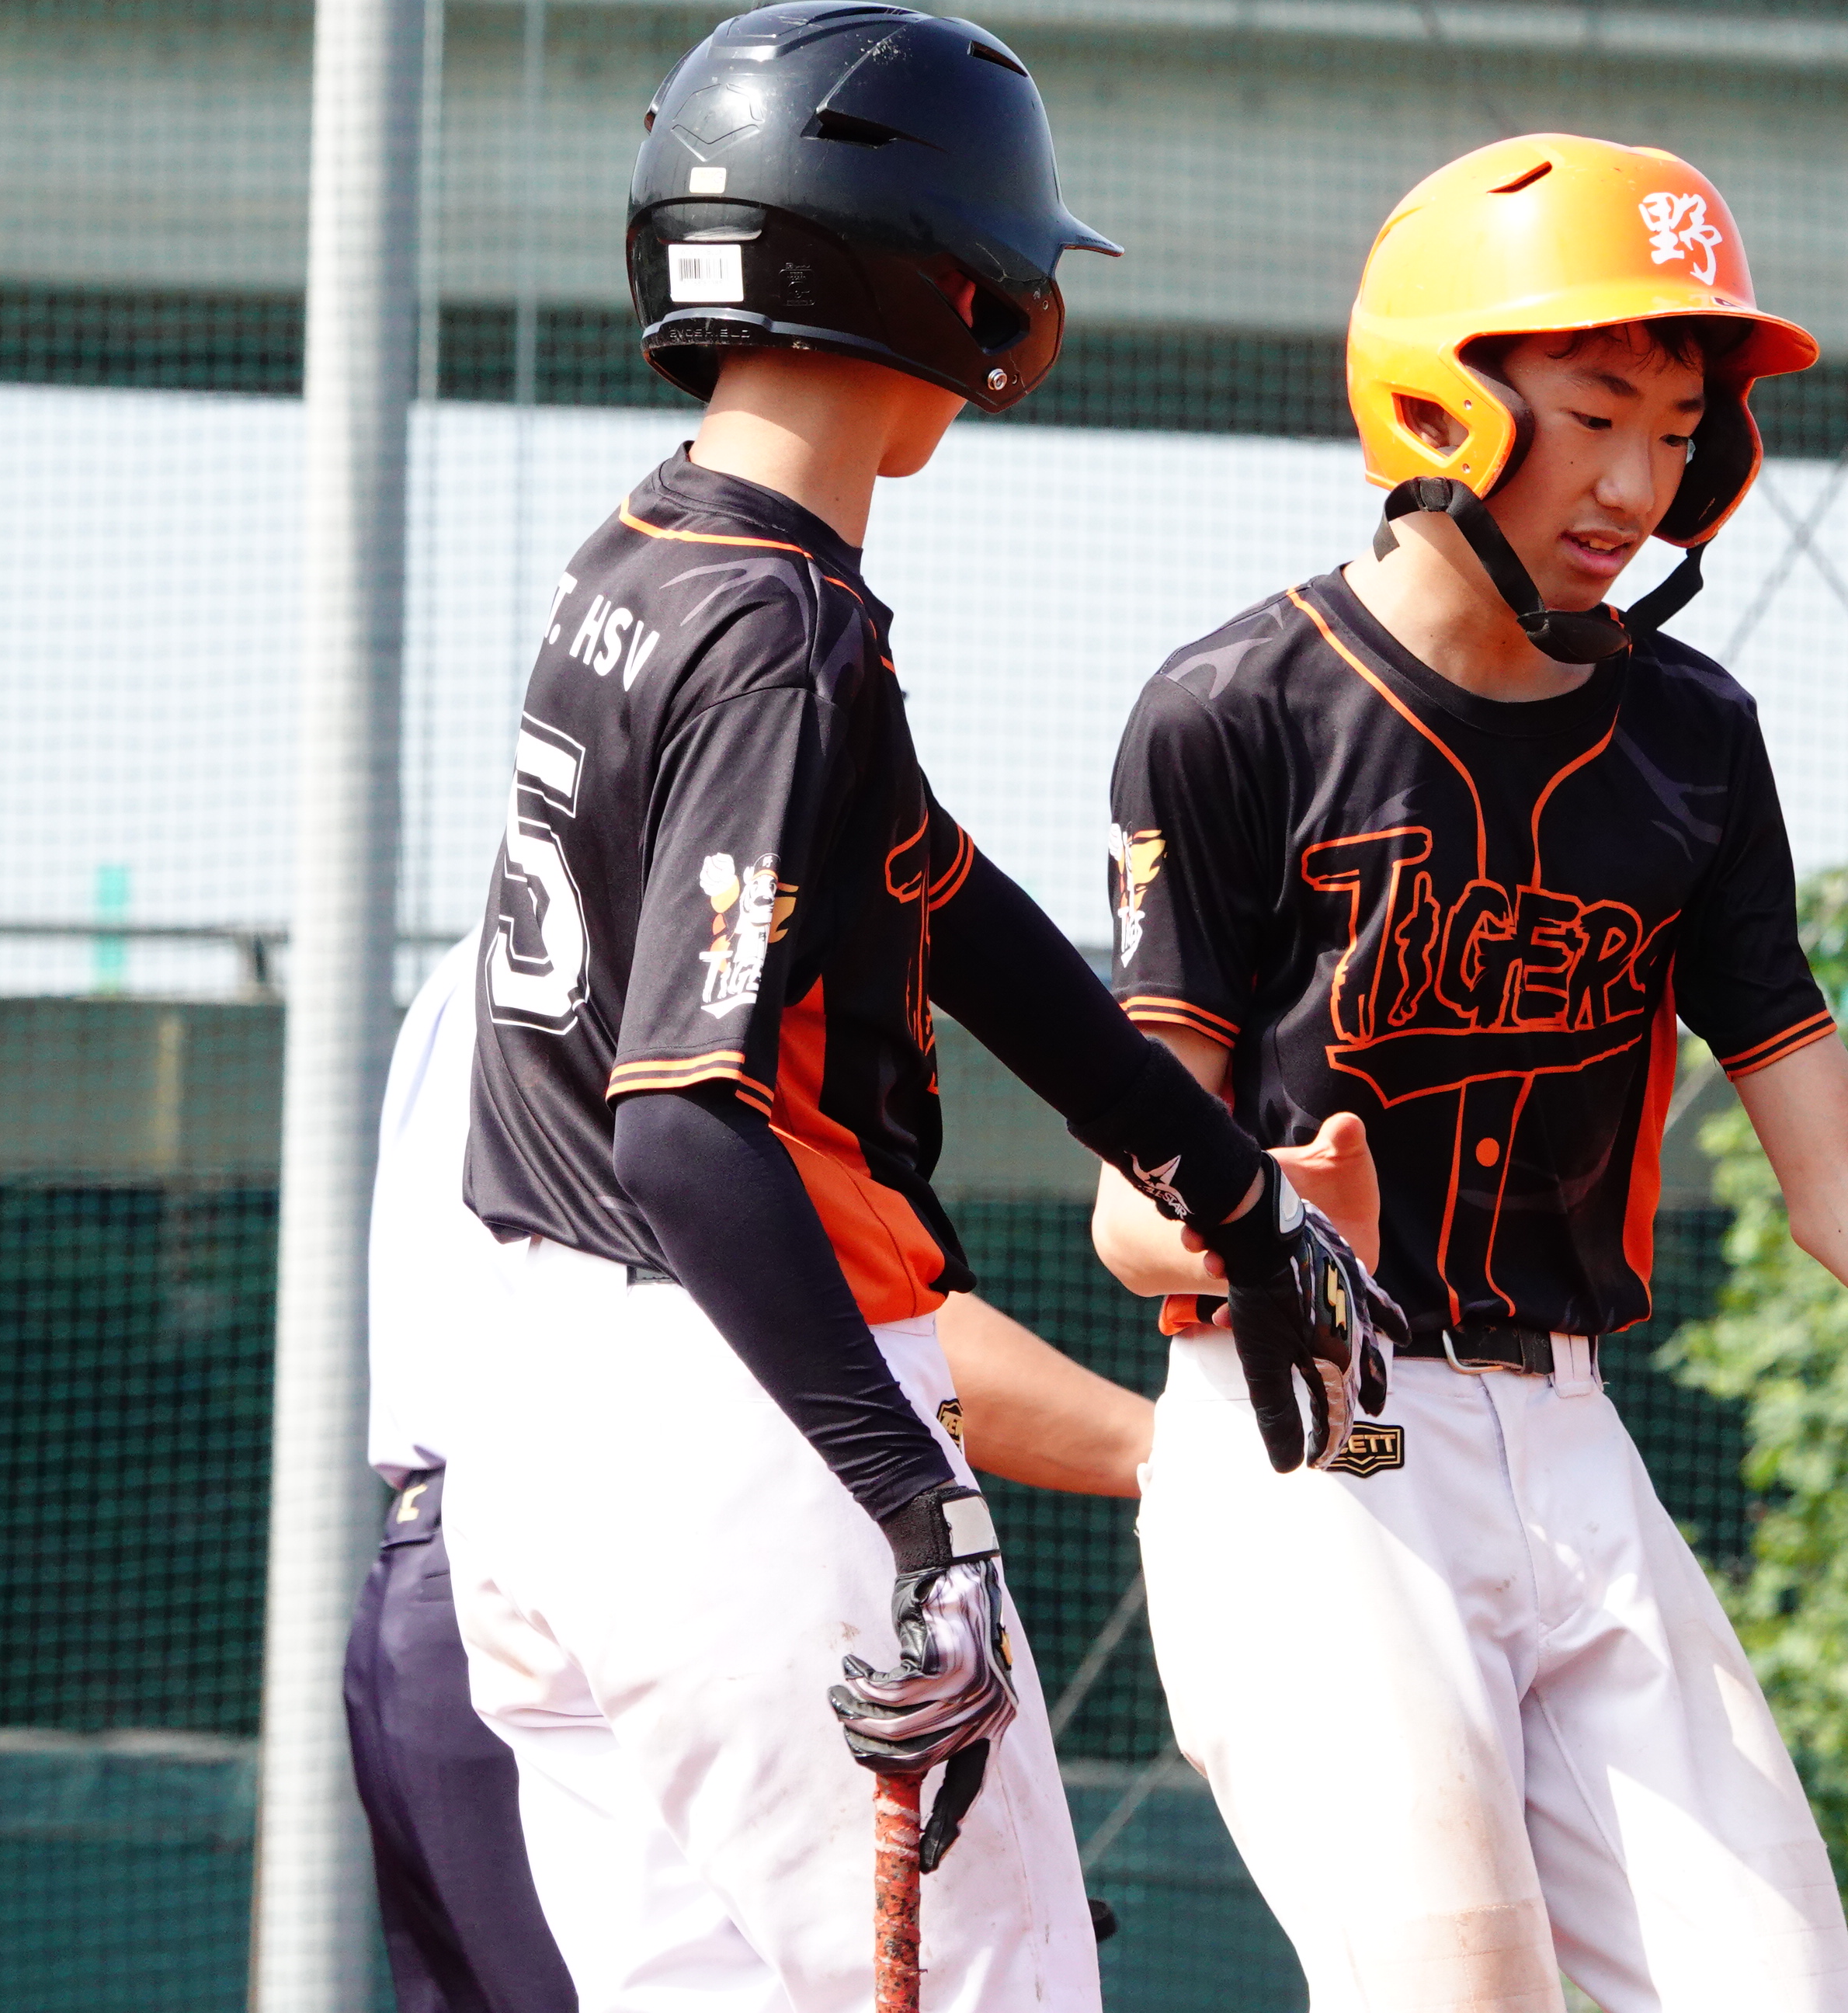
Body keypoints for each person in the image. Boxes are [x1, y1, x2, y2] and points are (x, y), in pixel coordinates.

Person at [1092, 134, 1848, 2013]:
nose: (1639, 486)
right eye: (1593, 418)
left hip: (1573, 1441)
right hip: (1315, 1431)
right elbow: (1123, 1219)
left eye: (1677, 430)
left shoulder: (1695, 740)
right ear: (1440, 398)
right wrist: (1267, 1222)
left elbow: (1843, 1172)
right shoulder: (1235, 713)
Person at [439, 12, 1398, 2009]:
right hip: (750, 1427)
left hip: (535, 1428)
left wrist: (1235, 1197)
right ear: (935, 285)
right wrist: (916, 1513)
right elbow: (682, 1125)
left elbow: (946, 901)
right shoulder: (780, 630)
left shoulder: (646, 551)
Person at [346, 935, 1156, 2013]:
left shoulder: (480, 962)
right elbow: (800, 1296)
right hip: (659, 1520)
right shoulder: (702, 932)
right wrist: (1174, 1452)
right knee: (982, 1974)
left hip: (451, 1573)